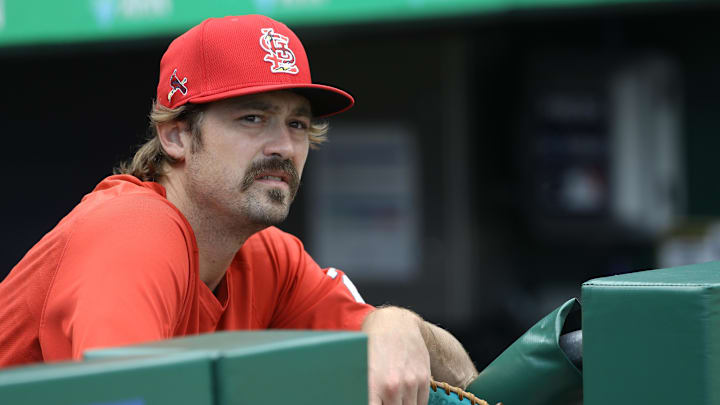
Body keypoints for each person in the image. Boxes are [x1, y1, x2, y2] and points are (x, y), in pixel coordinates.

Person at [0, 15, 477, 405]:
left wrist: (396, 324)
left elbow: (466, 381)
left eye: (297, 123)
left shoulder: (268, 257)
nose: (283, 146)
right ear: (177, 135)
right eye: (252, 118)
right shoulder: (132, 233)